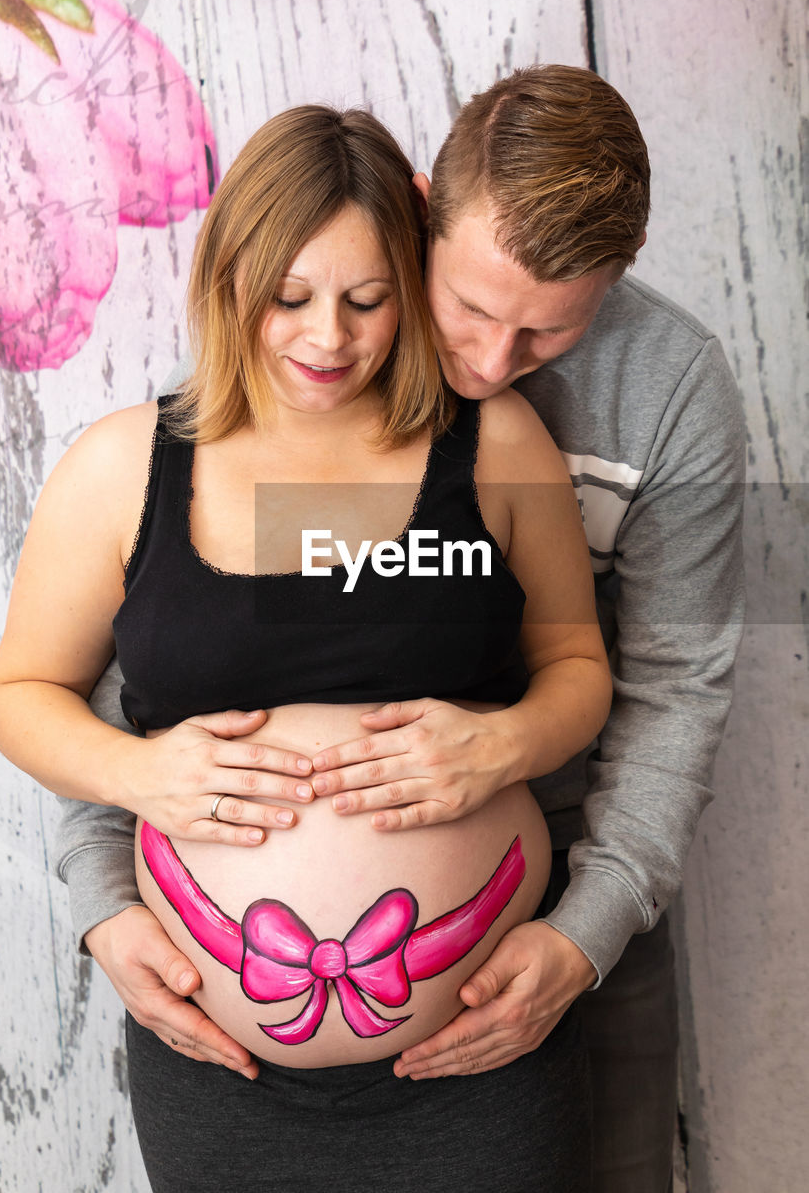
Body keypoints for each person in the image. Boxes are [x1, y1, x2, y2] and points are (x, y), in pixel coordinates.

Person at [53, 67, 746, 1192]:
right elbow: (164, 657)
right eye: (468, 308)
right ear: (420, 209)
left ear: (610, 288)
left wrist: (583, 929)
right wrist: (102, 892)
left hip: (570, 905)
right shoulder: (317, 353)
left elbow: (675, 684)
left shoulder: (668, 391)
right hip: (238, 1047)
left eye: (546, 331)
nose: (484, 363)